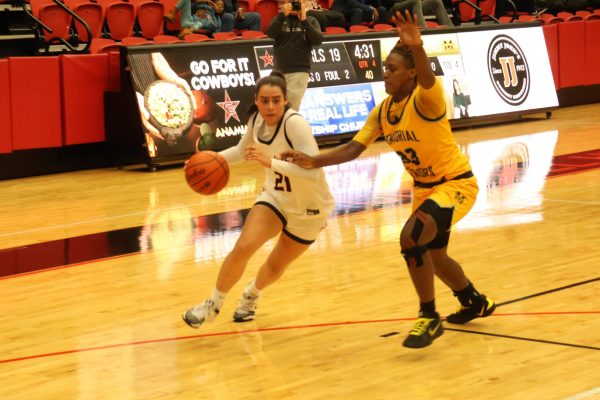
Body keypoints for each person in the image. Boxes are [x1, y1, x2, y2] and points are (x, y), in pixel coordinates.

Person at [280, 11, 495, 349]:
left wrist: (418, 47)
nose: (386, 74)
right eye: (384, 69)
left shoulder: (427, 98)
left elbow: (426, 78)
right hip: (425, 190)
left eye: (392, 69)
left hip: (456, 183)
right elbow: (353, 148)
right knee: (436, 259)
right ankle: (474, 300)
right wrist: (313, 160)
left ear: (410, 73)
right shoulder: (382, 110)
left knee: (411, 238)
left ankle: (428, 316)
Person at [182, 71, 335, 328]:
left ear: (286, 100)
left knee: (275, 264)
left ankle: (251, 296)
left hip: (309, 208)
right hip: (275, 198)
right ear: (256, 100)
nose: (270, 106)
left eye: (276, 100)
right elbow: (242, 151)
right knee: (243, 246)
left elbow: (313, 169)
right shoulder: (256, 120)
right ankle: (212, 305)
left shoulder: (295, 124)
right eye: (265, 100)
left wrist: (271, 162)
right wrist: (208, 160)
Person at [267, 0, 323, 111]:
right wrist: (282, 15)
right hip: (278, 71)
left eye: (298, 3)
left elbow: (317, 40)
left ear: (303, 4)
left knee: (289, 110)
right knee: (272, 108)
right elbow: (270, 33)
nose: (295, 6)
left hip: (299, 71)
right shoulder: (280, 19)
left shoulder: (311, 20)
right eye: (292, 3)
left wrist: (304, 20)